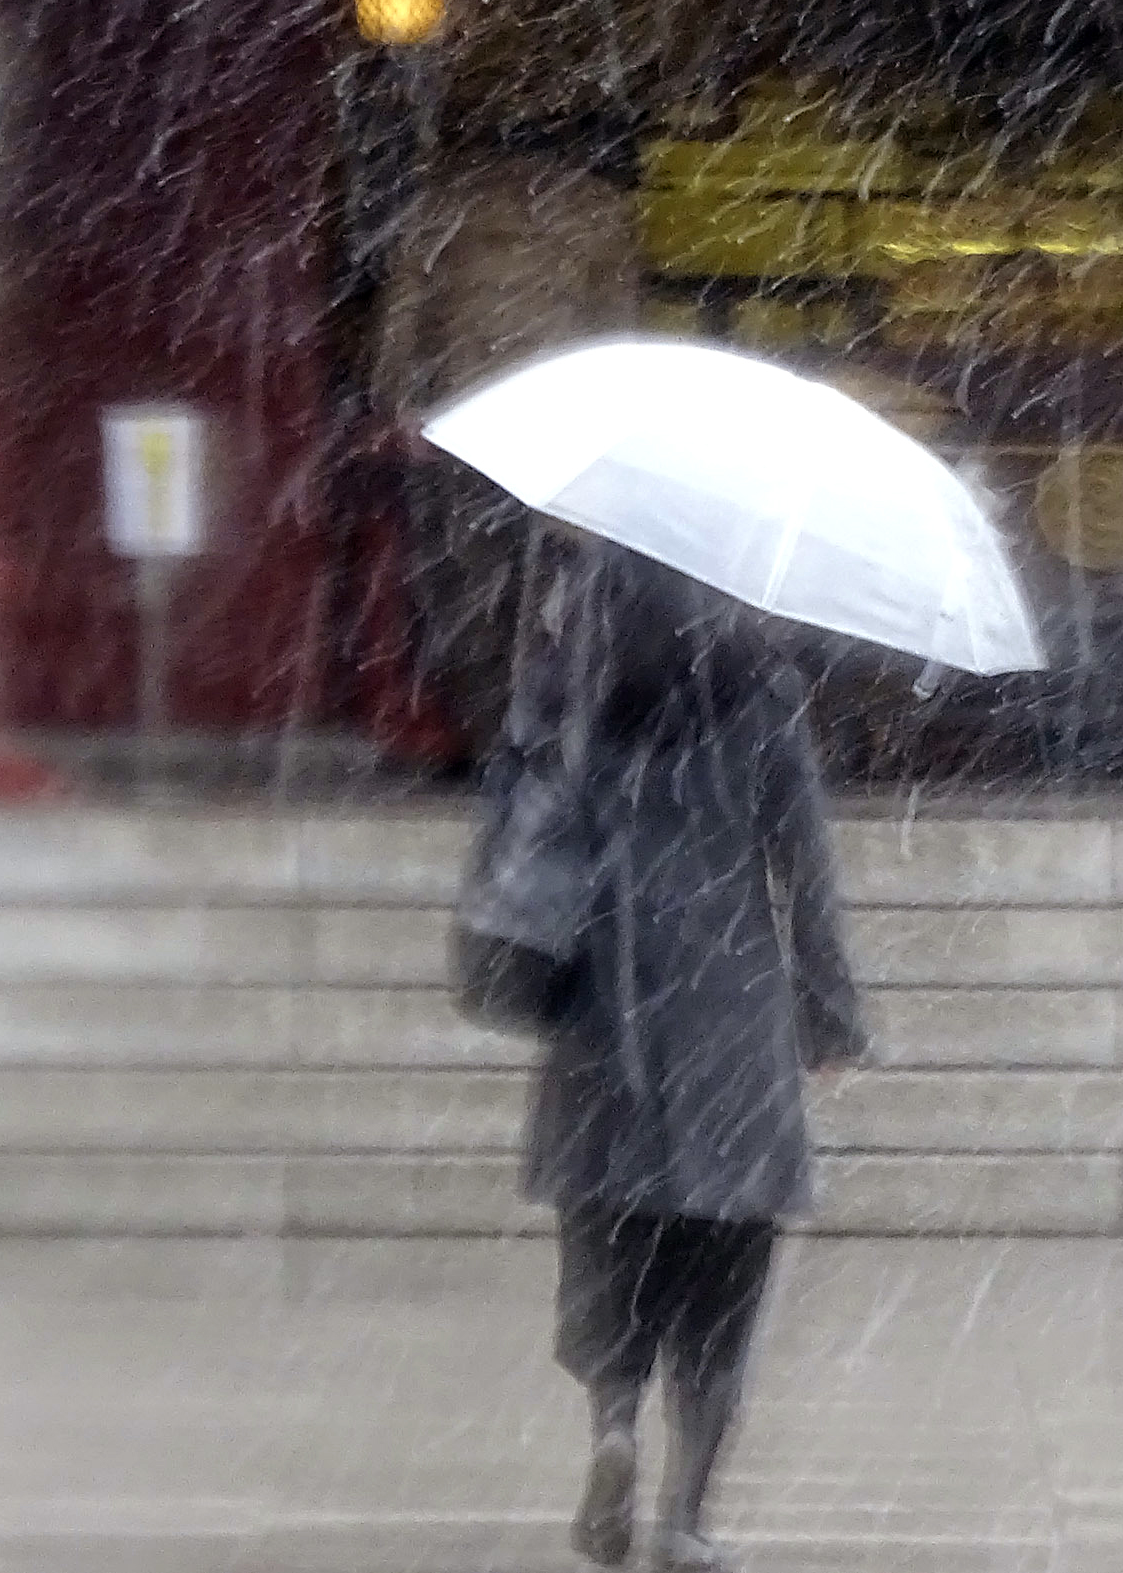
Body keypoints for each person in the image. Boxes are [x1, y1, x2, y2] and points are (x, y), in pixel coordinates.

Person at [464, 528, 868, 1573]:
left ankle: (610, 1425)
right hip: (729, 1019)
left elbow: (512, 834)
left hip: (603, 1012)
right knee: (723, 1284)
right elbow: (803, 870)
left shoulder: (563, 689)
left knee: (610, 1255)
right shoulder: (757, 691)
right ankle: (685, 1517)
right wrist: (827, 1014)